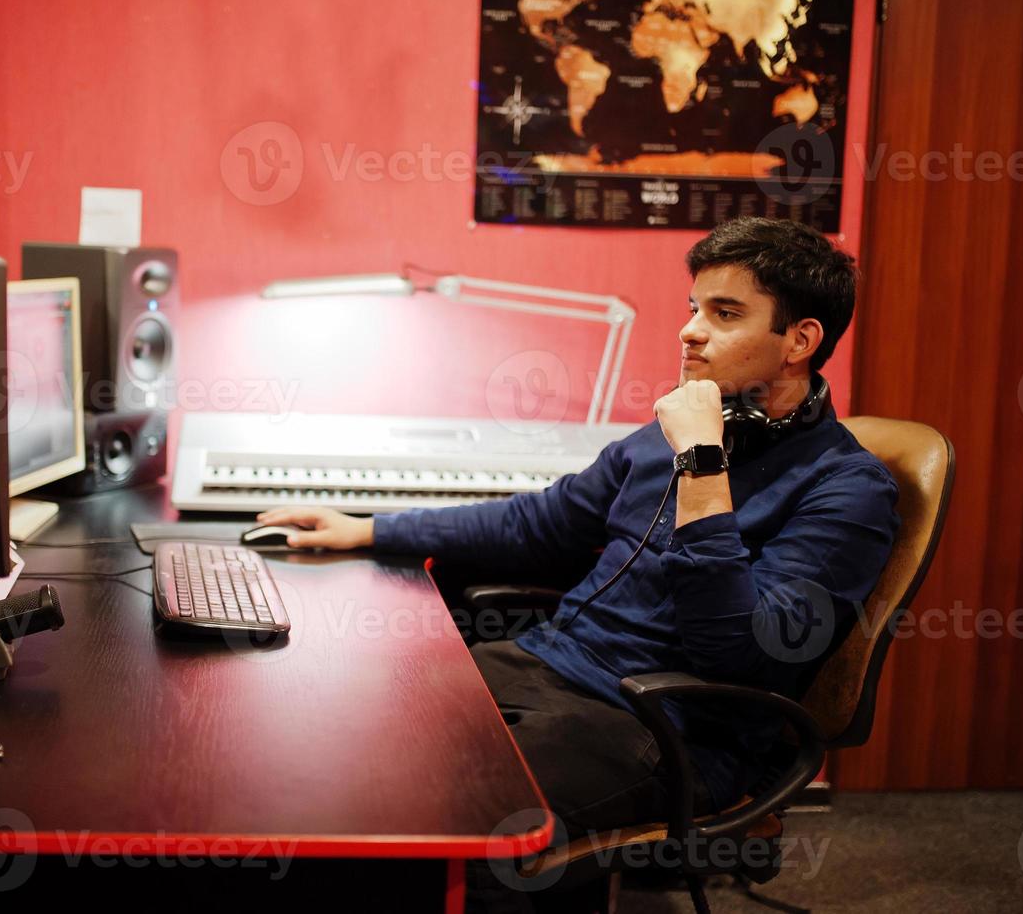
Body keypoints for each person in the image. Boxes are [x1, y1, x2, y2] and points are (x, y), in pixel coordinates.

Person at [255, 217, 901, 911]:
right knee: (333, 746)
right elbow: (538, 522)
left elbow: (737, 651)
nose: (689, 330)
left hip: (672, 725)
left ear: (799, 341)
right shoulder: (667, 436)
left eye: (725, 313)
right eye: (693, 309)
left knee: (466, 833)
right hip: (547, 663)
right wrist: (369, 529)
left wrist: (701, 464)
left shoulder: (846, 489)